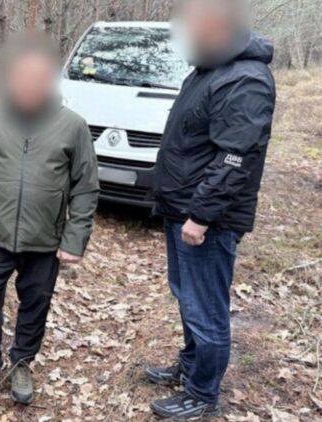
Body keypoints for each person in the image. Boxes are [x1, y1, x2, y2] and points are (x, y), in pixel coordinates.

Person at [0, 34, 99, 406]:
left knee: (36, 302)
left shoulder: (73, 126)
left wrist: (74, 239)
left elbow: (85, 187)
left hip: (45, 240)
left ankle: (21, 363)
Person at [147, 0, 276, 419]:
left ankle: (202, 394)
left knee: (205, 309)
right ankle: (190, 367)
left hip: (207, 219)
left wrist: (201, 216)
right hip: (182, 209)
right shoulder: (209, 70)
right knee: (187, 299)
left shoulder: (245, 79)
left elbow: (236, 158)